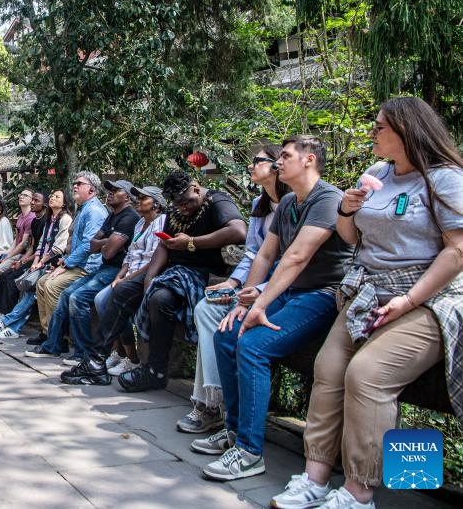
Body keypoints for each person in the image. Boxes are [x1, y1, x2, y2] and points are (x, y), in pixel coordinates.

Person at [271, 98, 463, 509]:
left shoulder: (445, 179)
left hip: (426, 297)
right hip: (368, 292)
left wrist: (409, 300)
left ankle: (359, 492)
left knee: (368, 374)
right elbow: (351, 237)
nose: (372, 132)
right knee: (328, 369)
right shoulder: (377, 173)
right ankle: (315, 477)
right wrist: (346, 209)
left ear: (407, 131)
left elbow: (457, 251)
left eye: (380, 127)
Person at [200, 135, 353, 482]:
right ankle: (235, 432)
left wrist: (261, 305)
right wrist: (246, 298)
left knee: (253, 346)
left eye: (284, 156)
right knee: (227, 334)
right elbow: (267, 254)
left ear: (309, 160)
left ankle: (250, 452)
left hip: (322, 294)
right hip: (289, 290)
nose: (278, 162)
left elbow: (297, 257)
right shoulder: (286, 204)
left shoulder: (329, 199)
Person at [177, 144, 289, 434]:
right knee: (206, 307)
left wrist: (258, 288)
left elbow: (290, 259)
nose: (250, 166)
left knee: (229, 329)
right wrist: (234, 282)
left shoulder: (297, 204)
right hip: (253, 285)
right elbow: (254, 253)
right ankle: (210, 401)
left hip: (282, 289)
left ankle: (217, 406)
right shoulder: (258, 205)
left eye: (257, 161)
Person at [118, 170, 247, 391]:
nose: (182, 208)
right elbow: (163, 245)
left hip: (204, 275)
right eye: (177, 204)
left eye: (186, 202)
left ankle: (156, 370)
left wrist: (192, 242)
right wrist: (150, 277)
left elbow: (239, 231)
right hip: (173, 272)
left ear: (196, 188)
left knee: (160, 299)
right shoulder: (176, 210)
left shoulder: (217, 201)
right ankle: (114, 357)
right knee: (135, 294)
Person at [30, 180, 138, 372]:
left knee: (74, 296)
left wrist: (98, 246)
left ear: (128, 197)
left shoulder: (121, 216)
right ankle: (52, 343)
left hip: (111, 269)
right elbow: (94, 244)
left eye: (115, 190)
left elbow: (103, 251)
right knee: (64, 293)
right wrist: (105, 242)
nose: (110, 193)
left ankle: (83, 351)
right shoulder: (111, 214)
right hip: (101, 267)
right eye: (110, 189)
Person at [86, 185, 167, 378]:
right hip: (128, 273)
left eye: (143, 198)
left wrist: (127, 279)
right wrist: (119, 276)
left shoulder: (161, 222)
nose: (138, 200)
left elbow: (152, 260)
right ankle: (119, 352)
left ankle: (132, 357)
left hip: (144, 276)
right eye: (138, 197)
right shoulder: (140, 223)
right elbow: (129, 256)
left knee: (114, 300)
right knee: (100, 300)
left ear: (156, 204)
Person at [25, 171, 108, 347]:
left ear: (91, 189)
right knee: (41, 283)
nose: (75, 186)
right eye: (74, 183)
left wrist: (67, 263)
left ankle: (58, 338)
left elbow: (88, 245)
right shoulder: (84, 209)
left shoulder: (94, 211)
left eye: (79, 183)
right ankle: (48, 332)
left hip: (87, 266)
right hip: (75, 262)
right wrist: (64, 262)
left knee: (52, 285)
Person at [0, 190, 73, 338]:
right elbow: (40, 245)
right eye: (51, 195)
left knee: (30, 293)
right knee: (28, 291)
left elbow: (59, 247)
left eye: (56, 197)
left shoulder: (65, 219)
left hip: (54, 264)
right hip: (42, 263)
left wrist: (40, 262)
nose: (52, 198)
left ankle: (8, 322)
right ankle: (13, 327)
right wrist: (37, 261)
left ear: (64, 203)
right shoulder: (49, 219)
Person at [0, 192, 47, 314]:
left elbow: (42, 249)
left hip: (41, 260)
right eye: (32, 199)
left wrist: (23, 261)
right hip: (31, 257)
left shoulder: (45, 221)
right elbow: (33, 246)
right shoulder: (35, 221)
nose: (33, 202)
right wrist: (21, 260)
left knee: (12, 281)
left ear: (45, 204)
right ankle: (2, 312)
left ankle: (9, 315)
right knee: (4, 276)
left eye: (36, 200)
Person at [0, 189, 36, 285]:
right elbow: (16, 239)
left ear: (32, 200)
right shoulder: (20, 216)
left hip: (24, 254)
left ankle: (6, 295)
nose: (21, 196)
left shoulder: (31, 217)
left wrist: (7, 257)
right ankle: (2, 295)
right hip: (15, 252)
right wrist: (7, 254)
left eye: (25, 195)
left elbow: (23, 244)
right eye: (21, 194)